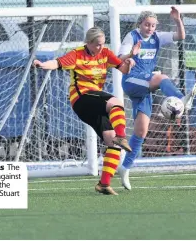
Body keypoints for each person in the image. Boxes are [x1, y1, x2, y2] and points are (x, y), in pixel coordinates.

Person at [33, 27, 140, 195]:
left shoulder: (105, 53)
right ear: (88, 43)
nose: (100, 47)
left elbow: (123, 69)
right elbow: (57, 63)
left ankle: (103, 184)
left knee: (111, 141)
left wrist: (130, 60)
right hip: (82, 99)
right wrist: (42, 64)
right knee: (116, 103)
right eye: (97, 44)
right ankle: (122, 137)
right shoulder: (77, 54)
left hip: (95, 102)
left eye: (102, 44)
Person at [117, 7, 196, 190]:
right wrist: (131, 55)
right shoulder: (132, 37)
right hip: (131, 80)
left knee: (141, 131)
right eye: (147, 24)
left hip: (145, 87)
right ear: (140, 24)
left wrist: (178, 20)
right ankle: (181, 99)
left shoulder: (157, 37)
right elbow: (119, 58)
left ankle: (125, 167)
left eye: (153, 25)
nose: (150, 28)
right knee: (161, 77)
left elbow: (181, 36)